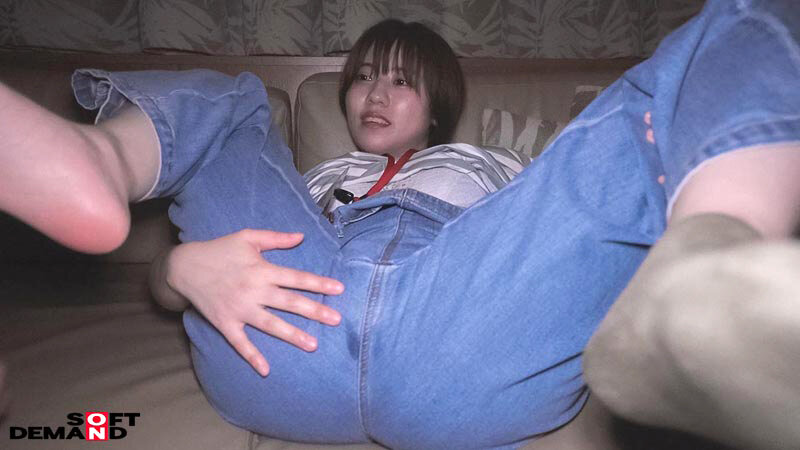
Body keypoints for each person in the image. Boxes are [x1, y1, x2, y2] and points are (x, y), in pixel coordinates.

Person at [0, 0, 798, 448]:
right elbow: (170, 281)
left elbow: (561, 235)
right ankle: (103, 157)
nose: (375, 94)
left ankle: (710, 277)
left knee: (742, 19)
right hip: (283, 337)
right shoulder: (303, 180)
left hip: (461, 330)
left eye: (402, 81)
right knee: (237, 102)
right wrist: (180, 270)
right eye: (363, 78)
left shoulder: (495, 163)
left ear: (439, 102)